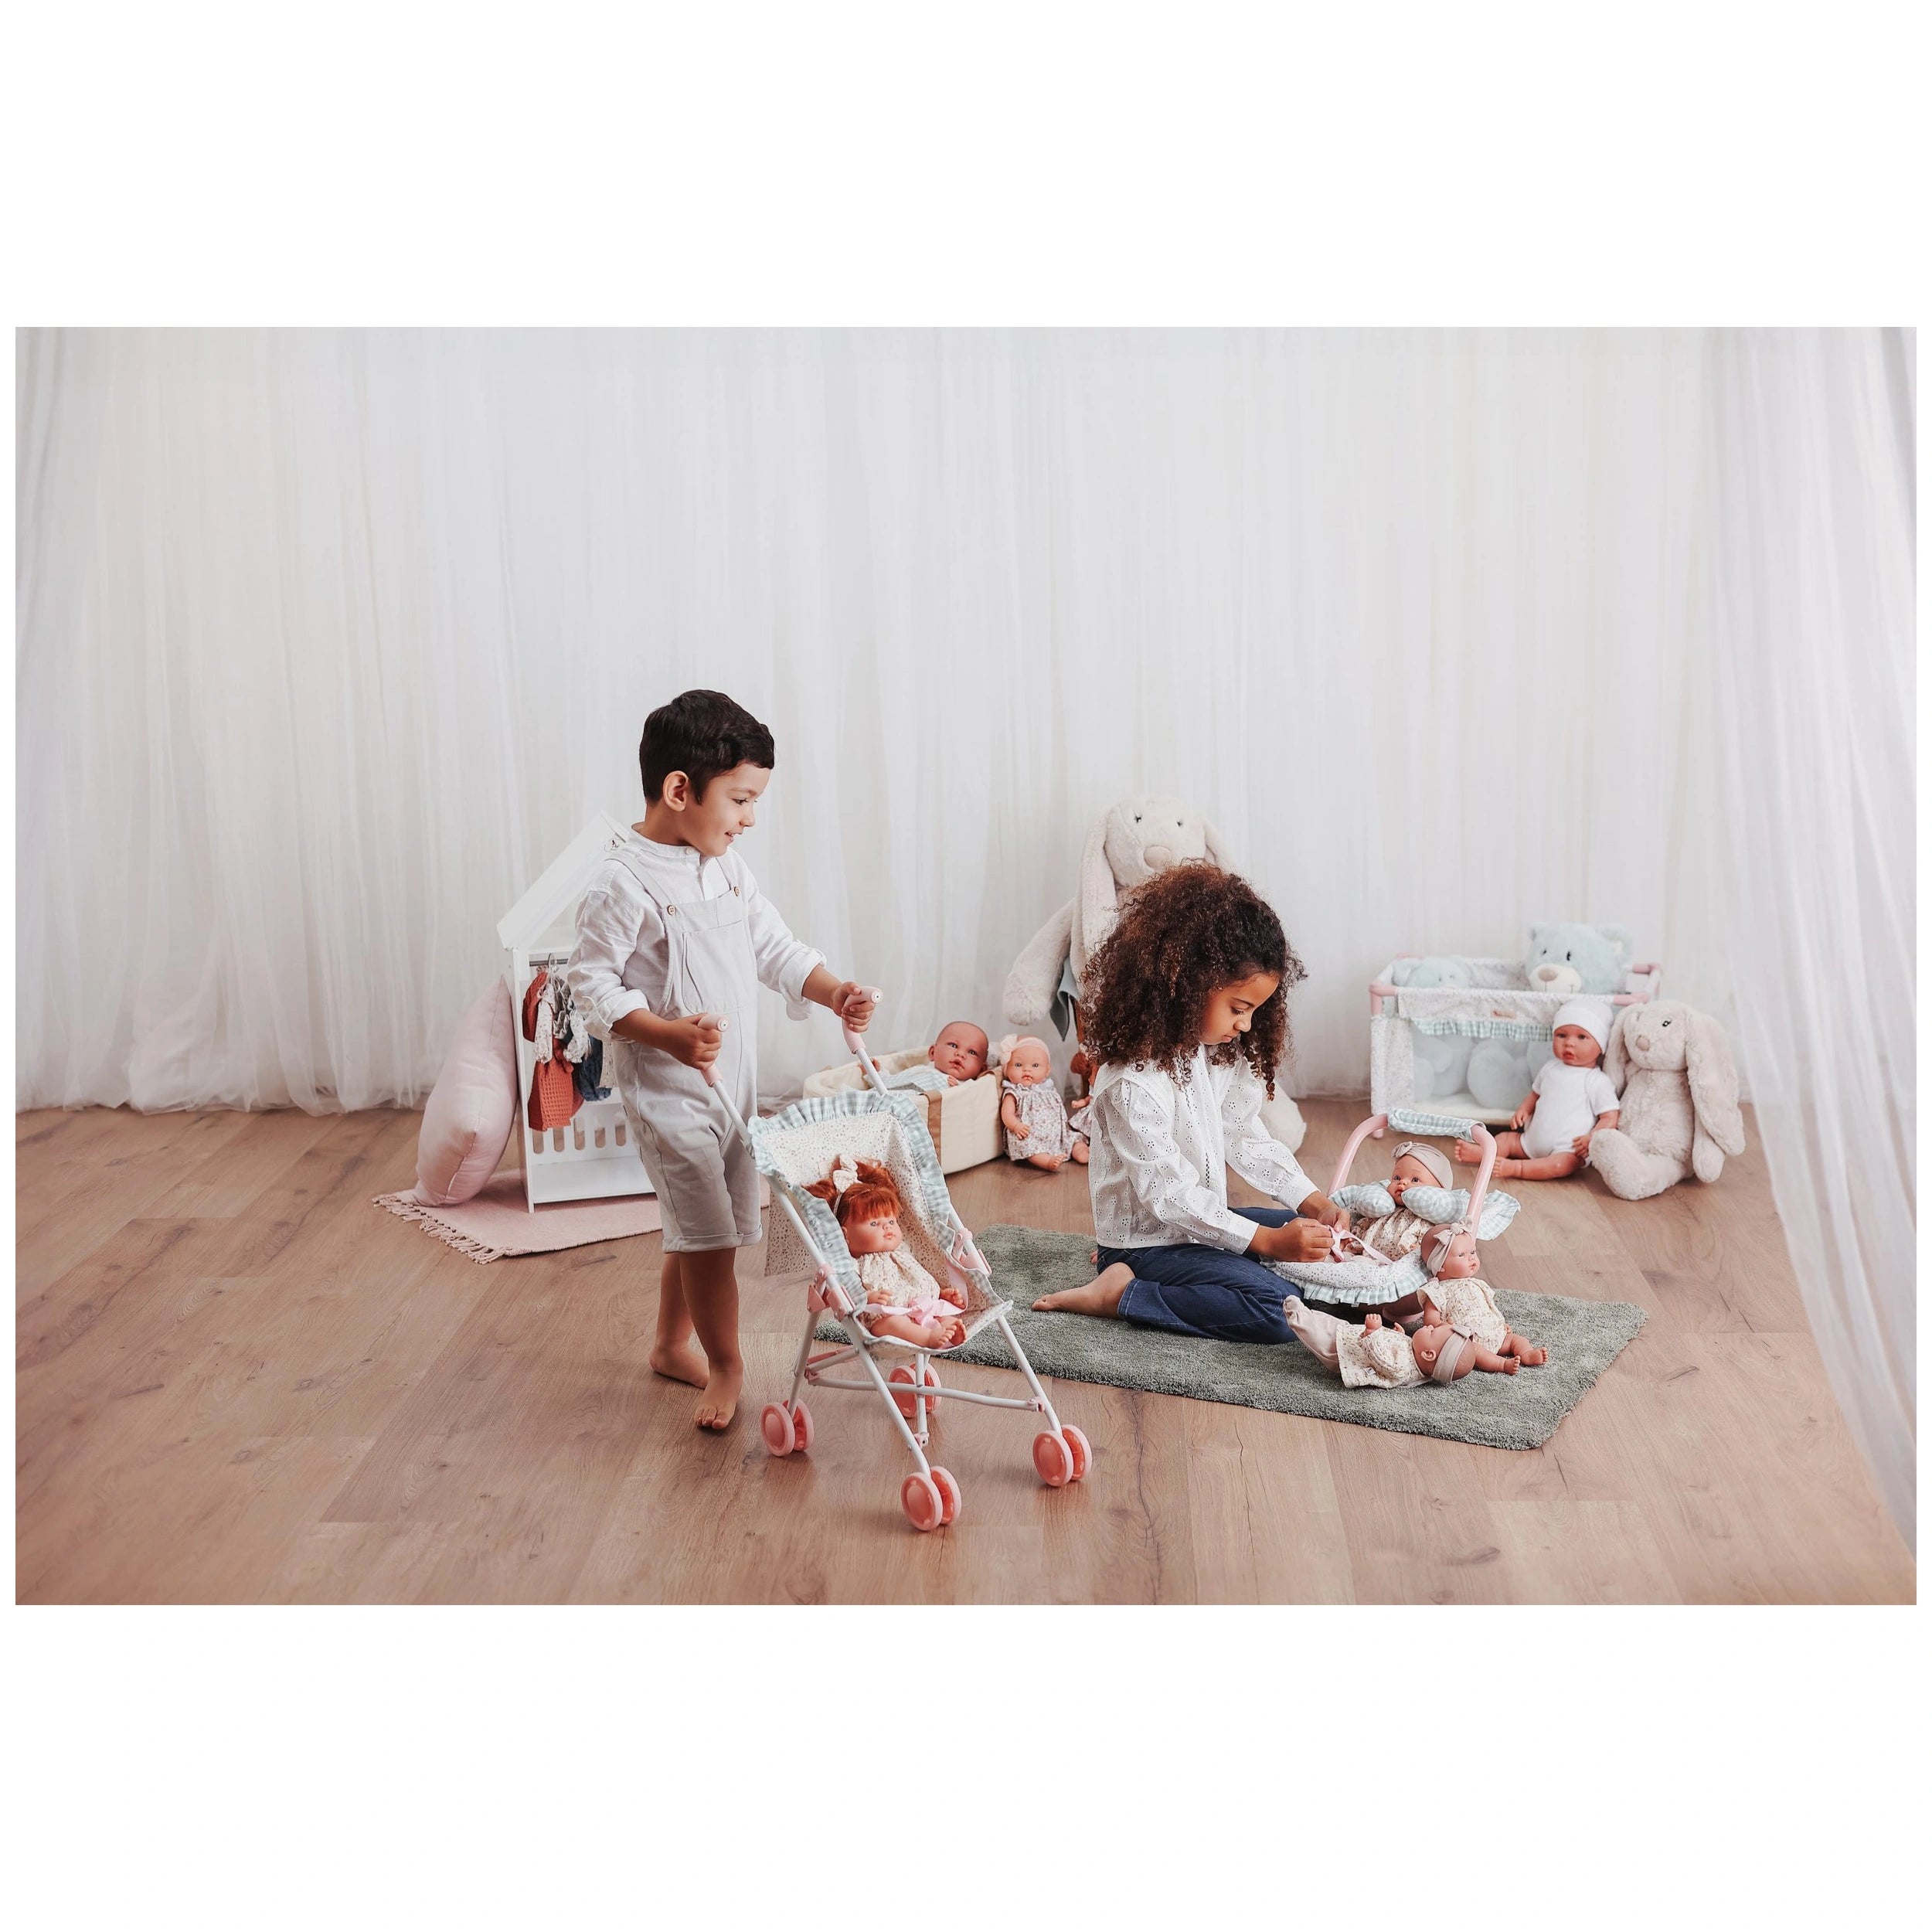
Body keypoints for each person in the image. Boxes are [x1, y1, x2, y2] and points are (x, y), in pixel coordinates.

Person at [566, 689, 876, 1430]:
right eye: (740, 800)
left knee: (702, 1227)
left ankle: (669, 1344)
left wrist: (834, 992)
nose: (749, 819)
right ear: (680, 790)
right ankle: (727, 1364)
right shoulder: (623, 883)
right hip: (667, 1090)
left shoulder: (726, 869)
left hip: (731, 1085)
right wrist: (666, 1034)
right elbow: (591, 983)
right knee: (708, 1237)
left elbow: (775, 948)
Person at [1029, 864, 1347, 1345]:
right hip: (1147, 1245)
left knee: (1317, 1244)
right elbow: (1169, 1196)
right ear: (1187, 984)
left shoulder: (1214, 1053)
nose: (1246, 1025)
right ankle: (1122, 1292)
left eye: (1254, 1012)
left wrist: (1311, 1200)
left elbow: (1244, 1135)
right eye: (1239, 1009)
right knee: (1281, 1310)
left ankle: (1223, 1266)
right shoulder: (1131, 1083)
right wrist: (1264, 1242)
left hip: (1195, 1230)